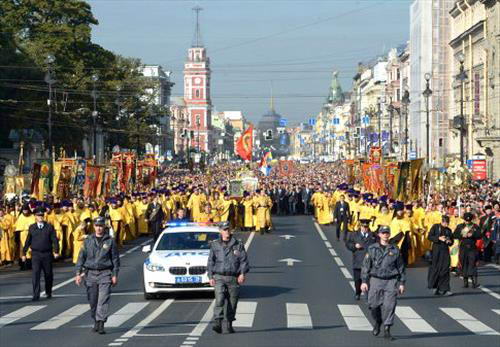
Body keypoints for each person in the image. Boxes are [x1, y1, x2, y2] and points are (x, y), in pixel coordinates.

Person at [75, 216, 120, 334]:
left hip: (105, 273)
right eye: (97, 226)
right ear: (94, 227)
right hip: (90, 273)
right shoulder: (88, 240)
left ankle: (101, 323)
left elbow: (115, 259)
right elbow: (81, 257)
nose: (99, 228)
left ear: (104, 227)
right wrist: (78, 273)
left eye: (101, 226)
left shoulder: (110, 241)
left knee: (103, 299)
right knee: (93, 300)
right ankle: (95, 319)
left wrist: (115, 274)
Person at [361, 225, 406, 340]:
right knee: (373, 304)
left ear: (389, 235)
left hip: (391, 280)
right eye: (383, 233)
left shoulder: (395, 250)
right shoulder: (372, 249)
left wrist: (401, 283)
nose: (385, 235)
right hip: (375, 279)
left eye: (387, 233)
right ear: (379, 234)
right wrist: (364, 281)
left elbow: (401, 267)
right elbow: (366, 265)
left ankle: (387, 329)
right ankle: (378, 321)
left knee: (389, 305)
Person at [207, 225, 250, 334]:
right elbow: (211, 261)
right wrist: (210, 276)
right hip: (219, 276)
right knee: (219, 299)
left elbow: (243, 260)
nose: (227, 232)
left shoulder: (238, 244)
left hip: (233, 277)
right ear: (220, 231)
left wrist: (242, 274)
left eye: (228, 229)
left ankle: (229, 324)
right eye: (224, 230)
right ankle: (217, 322)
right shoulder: (215, 244)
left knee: (232, 302)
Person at [22, 207, 60, 301]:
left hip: (47, 254)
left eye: (42, 215)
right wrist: (23, 253)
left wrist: (56, 251)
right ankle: (36, 294)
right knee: (35, 274)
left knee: (48, 274)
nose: (40, 217)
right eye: (38, 215)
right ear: (35, 216)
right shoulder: (32, 227)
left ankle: (48, 291)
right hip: (36, 254)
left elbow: (54, 240)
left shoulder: (49, 227)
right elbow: (28, 241)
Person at [345, 219, 377, 300]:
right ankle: (357, 292)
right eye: (363, 226)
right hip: (358, 261)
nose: (365, 228)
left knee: (369, 279)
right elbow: (348, 243)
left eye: (366, 226)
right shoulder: (354, 235)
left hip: (370, 262)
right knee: (357, 279)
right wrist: (354, 246)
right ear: (360, 226)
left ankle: (369, 295)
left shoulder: (373, 235)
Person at [427, 215, 454, 296]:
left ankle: (445, 289)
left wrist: (449, 241)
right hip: (436, 251)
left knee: (445, 269)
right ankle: (435, 287)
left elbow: (451, 241)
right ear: (442, 222)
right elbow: (429, 237)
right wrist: (438, 238)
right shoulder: (435, 227)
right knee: (436, 269)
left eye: (448, 223)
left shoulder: (448, 230)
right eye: (445, 223)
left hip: (445, 251)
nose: (447, 224)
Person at [453, 212, 481, 288]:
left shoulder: (475, 226)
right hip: (463, 247)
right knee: (464, 263)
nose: (467, 222)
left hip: (472, 247)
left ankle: (474, 282)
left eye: (469, 220)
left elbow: (479, 235)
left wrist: (473, 235)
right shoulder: (460, 226)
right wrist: (462, 235)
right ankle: (465, 282)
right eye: (466, 220)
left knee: (472, 263)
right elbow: (454, 235)